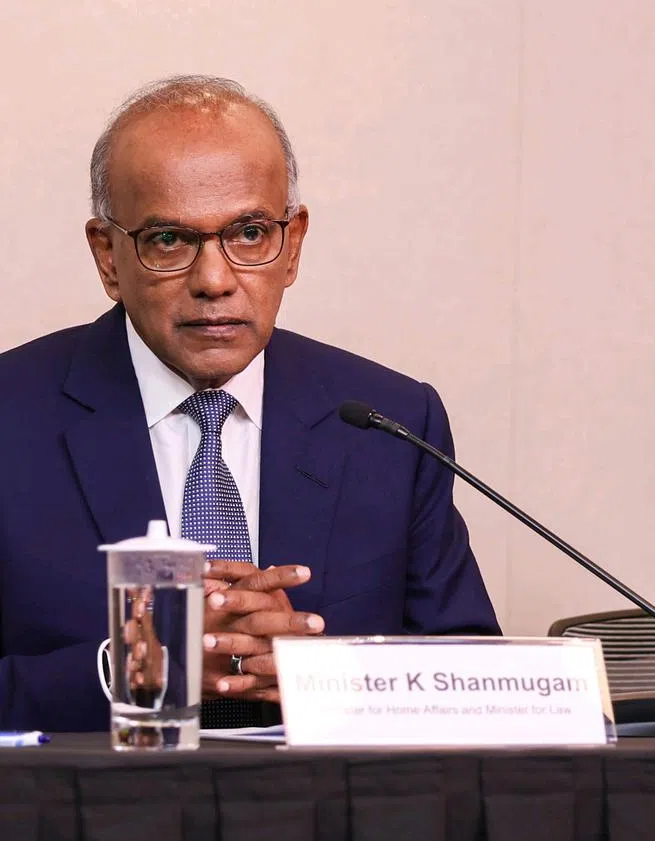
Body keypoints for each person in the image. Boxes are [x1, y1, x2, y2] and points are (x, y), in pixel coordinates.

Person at [0, 75, 499, 731]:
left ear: (291, 247)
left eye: (250, 232)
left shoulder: (389, 422)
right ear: (108, 257)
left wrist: (323, 679)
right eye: (169, 241)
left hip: (320, 825)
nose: (215, 281)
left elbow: (469, 679)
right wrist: (130, 667)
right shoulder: (13, 417)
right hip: (84, 826)